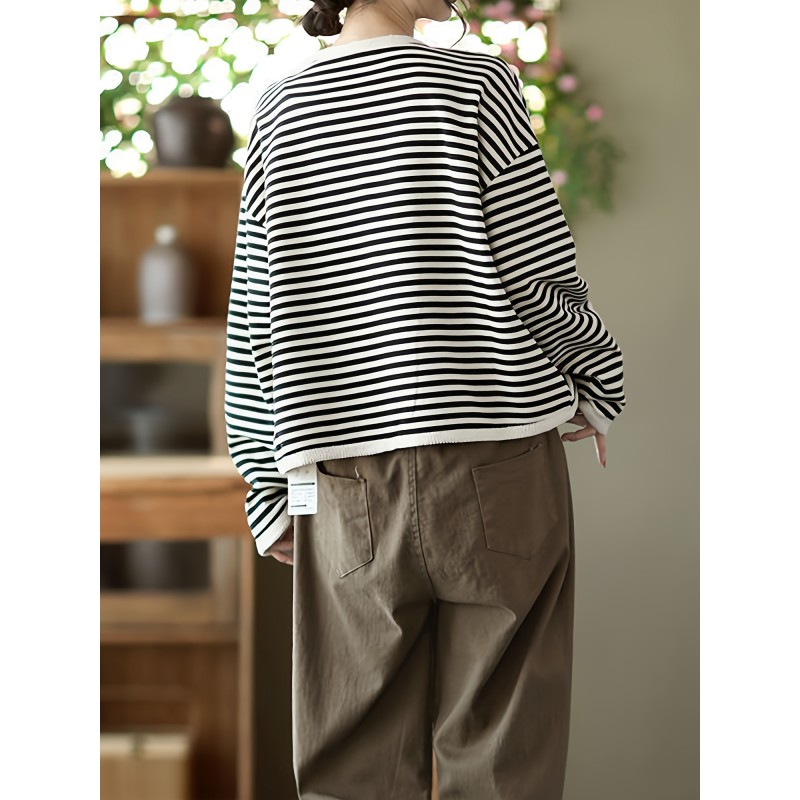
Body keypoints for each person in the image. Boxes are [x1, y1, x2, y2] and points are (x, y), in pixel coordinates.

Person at [224, 0, 626, 796]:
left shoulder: (278, 109)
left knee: (353, 766)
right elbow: (536, 269)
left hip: (343, 478)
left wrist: (267, 486)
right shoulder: (478, 86)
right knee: (503, 758)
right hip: (497, 462)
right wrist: (594, 381)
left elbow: (255, 314)